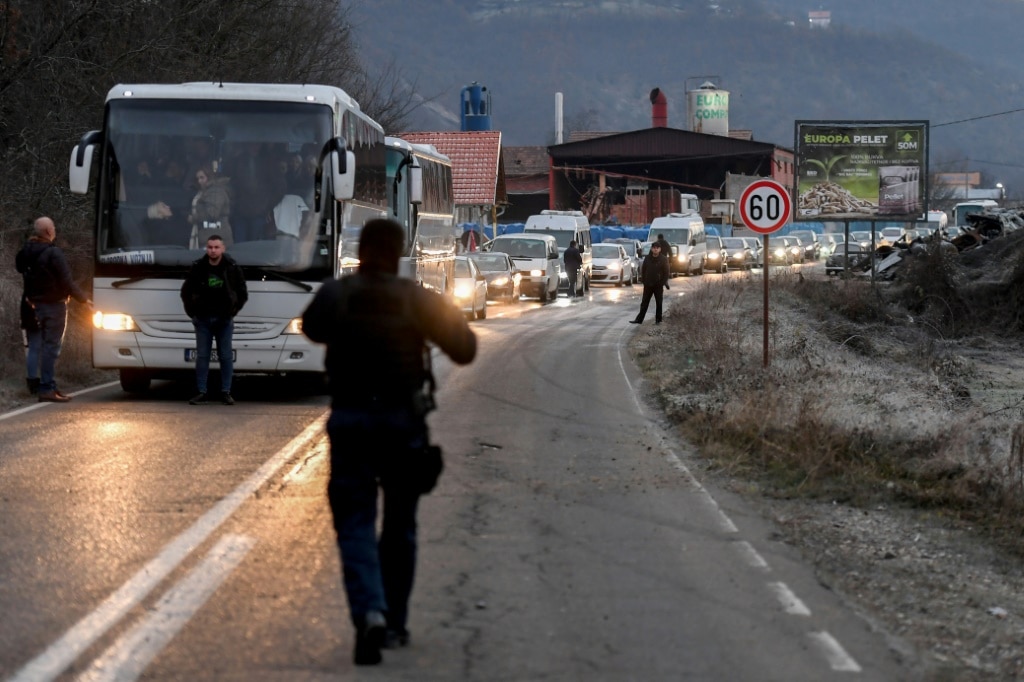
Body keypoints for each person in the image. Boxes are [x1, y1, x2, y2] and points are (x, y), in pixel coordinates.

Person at [301, 218, 476, 666]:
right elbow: (465, 349)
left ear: (361, 251)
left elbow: (313, 327)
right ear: (399, 252)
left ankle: (369, 612)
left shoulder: (338, 294)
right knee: (400, 526)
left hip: (352, 420)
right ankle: (395, 623)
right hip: (402, 424)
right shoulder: (416, 299)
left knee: (356, 522)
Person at [15, 217, 93, 402]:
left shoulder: (25, 251)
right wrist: (84, 300)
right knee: (51, 347)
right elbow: (67, 282)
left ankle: (37, 385)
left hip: (31, 305)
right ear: (49, 232)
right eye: (54, 228)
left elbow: (20, 268)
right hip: (53, 305)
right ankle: (47, 387)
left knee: (35, 345)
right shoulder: (54, 253)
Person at [180, 235, 248, 405]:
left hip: (224, 320)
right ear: (206, 248)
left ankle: (226, 392)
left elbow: (242, 293)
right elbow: (185, 292)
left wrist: (232, 311)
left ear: (223, 248)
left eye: (216, 247)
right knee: (202, 356)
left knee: (225, 356)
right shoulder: (198, 267)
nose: (213, 250)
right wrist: (193, 313)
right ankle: (201, 392)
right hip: (203, 320)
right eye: (210, 247)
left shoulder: (231, 267)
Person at [187, 164, 234, 248]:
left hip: (216, 237)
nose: (199, 181)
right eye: (198, 178)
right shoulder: (204, 191)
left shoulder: (215, 192)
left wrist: (194, 218)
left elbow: (212, 213)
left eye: (202, 177)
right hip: (208, 236)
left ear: (209, 177)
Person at [630, 241, 670, 325]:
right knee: (644, 303)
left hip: (658, 285)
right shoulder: (648, 258)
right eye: (654, 248)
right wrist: (644, 281)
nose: (655, 249)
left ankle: (658, 320)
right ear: (651, 249)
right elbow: (643, 270)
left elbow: (666, 273)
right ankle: (639, 319)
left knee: (659, 303)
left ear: (660, 249)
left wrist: (661, 283)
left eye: (657, 248)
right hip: (648, 285)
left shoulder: (663, 259)